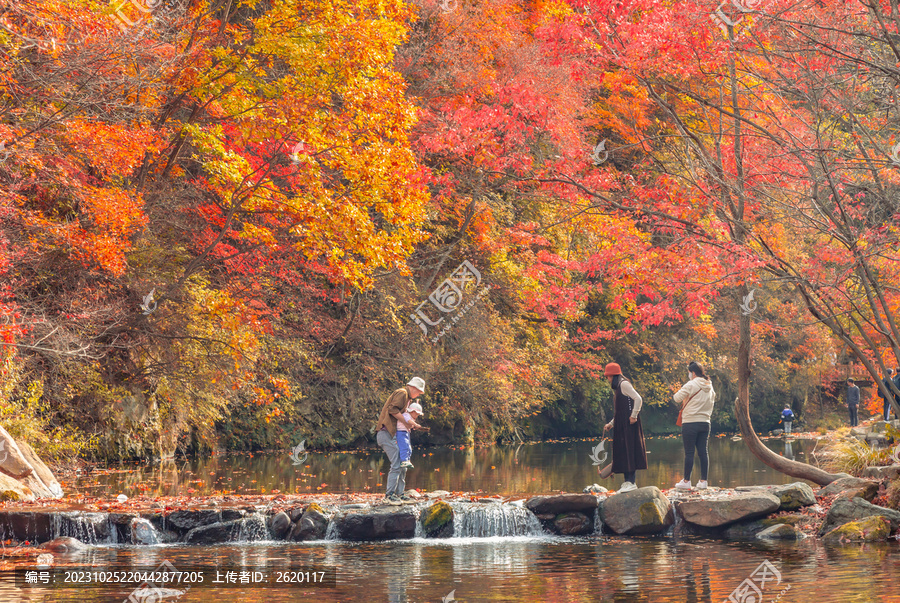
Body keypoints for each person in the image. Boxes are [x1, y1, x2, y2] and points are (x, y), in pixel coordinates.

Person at [376, 377, 425, 503]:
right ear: (414, 388)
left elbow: (401, 416)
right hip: (385, 433)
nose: (418, 395)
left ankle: (400, 494)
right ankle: (389, 496)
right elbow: (392, 410)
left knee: (403, 463)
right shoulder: (402, 393)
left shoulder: (407, 398)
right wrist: (406, 423)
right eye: (419, 392)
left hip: (392, 435)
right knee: (397, 463)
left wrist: (408, 424)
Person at [602, 363, 647, 493]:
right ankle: (627, 482)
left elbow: (638, 398)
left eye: (608, 376)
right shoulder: (619, 387)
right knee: (623, 452)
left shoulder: (624, 384)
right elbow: (620, 411)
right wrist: (611, 423)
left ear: (613, 375)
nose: (607, 379)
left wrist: (634, 415)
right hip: (622, 424)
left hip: (629, 424)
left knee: (630, 451)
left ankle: (631, 482)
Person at [673, 361, 716, 491]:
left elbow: (676, 398)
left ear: (692, 373)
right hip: (705, 422)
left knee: (689, 452)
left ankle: (686, 481)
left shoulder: (691, 384)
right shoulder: (710, 386)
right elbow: (713, 400)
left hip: (690, 422)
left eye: (689, 372)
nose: (688, 375)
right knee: (703, 452)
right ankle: (703, 481)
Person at [397, 402, 425, 469]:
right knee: (404, 446)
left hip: (406, 432)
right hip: (400, 432)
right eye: (417, 414)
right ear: (412, 412)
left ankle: (407, 460)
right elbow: (408, 421)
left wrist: (413, 427)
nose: (417, 416)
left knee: (409, 448)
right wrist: (415, 424)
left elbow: (409, 424)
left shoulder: (411, 417)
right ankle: (404, 460)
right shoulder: (406, 415)